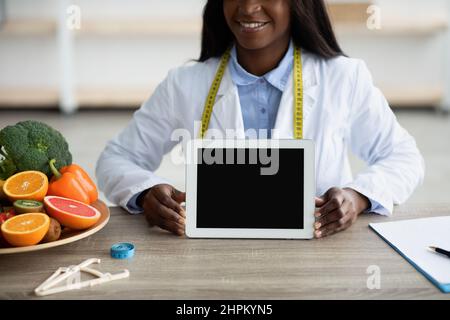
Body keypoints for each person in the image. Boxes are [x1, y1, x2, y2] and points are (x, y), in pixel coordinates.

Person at [96, 0, 424, 238]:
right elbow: (116, 159)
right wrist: (146, 192)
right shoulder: (185, 83)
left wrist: (358, 195)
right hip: (214, 260)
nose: (249, 7)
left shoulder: (343, 78)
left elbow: (404, 158)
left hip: (320, 261)